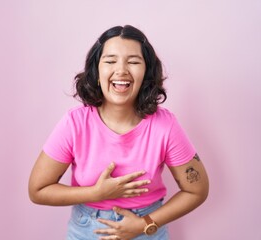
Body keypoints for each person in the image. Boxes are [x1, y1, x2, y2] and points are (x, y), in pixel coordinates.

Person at [28, 25, 209, 240]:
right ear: (97, 71)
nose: (121, 70)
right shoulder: (75, 123)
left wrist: (145, 224)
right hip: (87, 230)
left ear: (146, 73)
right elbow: (38, 190)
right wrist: (97, 193)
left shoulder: (165, 125)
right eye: (110, 61)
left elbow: (196, 190)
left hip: (147, 230)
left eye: (133, 61)